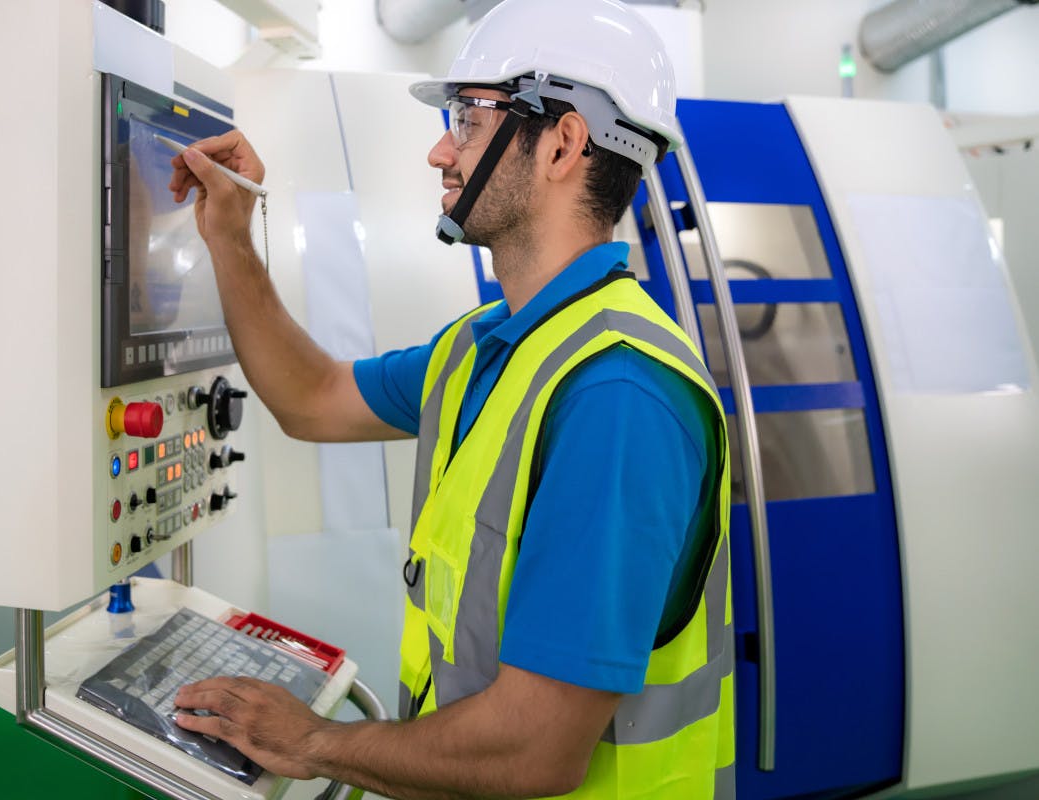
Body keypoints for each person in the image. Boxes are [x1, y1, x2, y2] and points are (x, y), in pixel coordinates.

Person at [167, 0, 734, 796]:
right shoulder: (483, 346)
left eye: (467, 119)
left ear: (563, 144)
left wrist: (315, 742)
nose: (441, 150)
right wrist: (229, 234)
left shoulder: (619, 398)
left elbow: (535, 749)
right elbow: (314, 397)